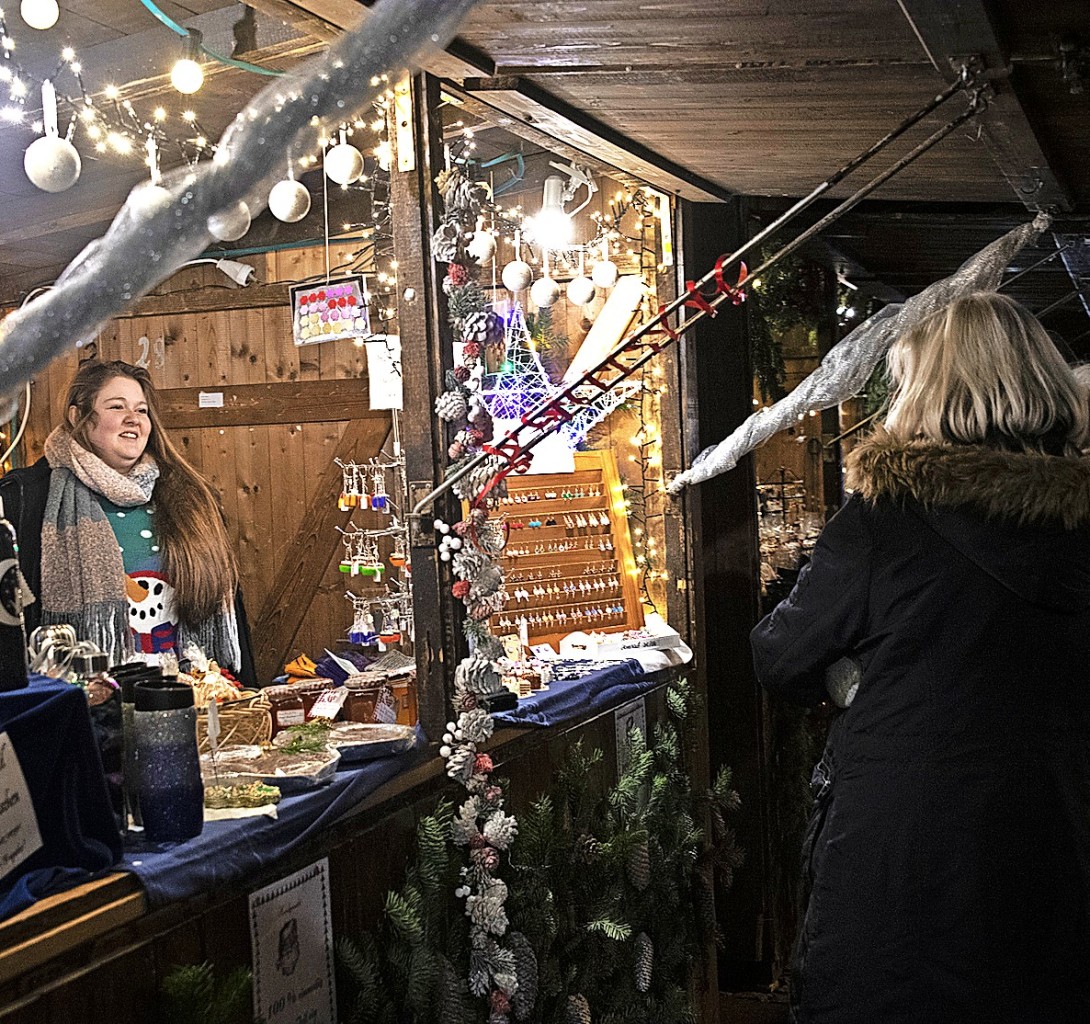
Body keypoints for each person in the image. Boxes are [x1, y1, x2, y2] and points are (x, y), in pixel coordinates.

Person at [751, 292, 1090, 1024]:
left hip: (900, 847)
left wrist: (847, 681)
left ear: (928, 389)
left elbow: (782, 655)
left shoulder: (882, 522)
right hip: (1058, 833)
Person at [0, 359, 255, 686]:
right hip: (89, 701)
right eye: (116, 407)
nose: (133, 419)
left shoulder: (190, 498)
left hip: (187, 691)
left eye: (142, 410)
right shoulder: (28, 500)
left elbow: (229, 607)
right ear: (78, 417)